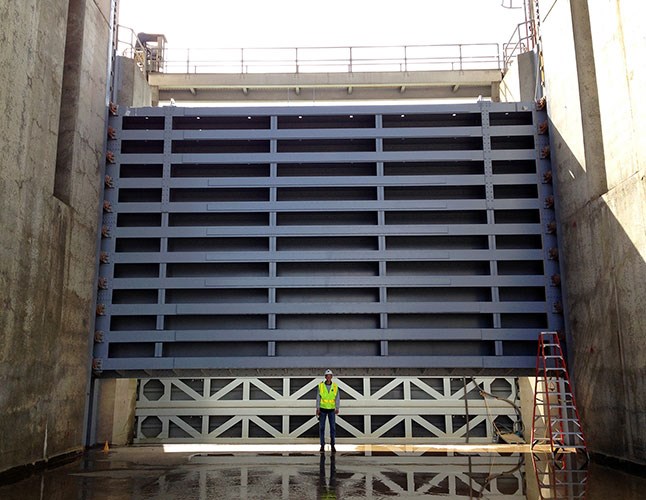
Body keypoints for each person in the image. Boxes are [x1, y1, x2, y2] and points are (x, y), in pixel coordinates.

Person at [316, 369, 339, 453]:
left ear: (331, 377)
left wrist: (337, 407)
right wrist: (317, 408)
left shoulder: (335, 386)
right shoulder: (321, 386)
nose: (328, 377)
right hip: (322, 410)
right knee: (321, 428)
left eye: (330, 376)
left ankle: (333, 445)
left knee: (332, 428)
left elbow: (337, 398)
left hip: (332, 410)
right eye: (327, 376)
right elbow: (318, 398)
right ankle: (322, 445)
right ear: (325, 377)